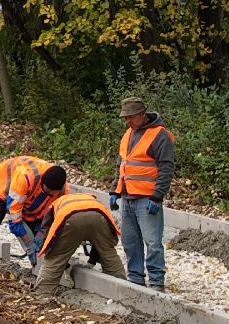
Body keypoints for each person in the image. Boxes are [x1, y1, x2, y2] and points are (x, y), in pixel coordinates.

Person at [110, 96, 175, 290]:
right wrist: (115, 189)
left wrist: (157, 196)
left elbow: (166, 168)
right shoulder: (128, 134)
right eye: (125, 118)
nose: (127, 121)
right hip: (128, 196)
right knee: (130, 241)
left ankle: (156, 281)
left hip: (147, 198)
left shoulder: (160, 135)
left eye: (130, 117)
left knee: (152, 241)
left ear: (142, 115)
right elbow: (121, 165)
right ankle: (136, 278)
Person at [0, 156, 68, 266]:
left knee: (39, 237)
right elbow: (14, 219)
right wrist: (29, 244)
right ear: (42, 183)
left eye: (53, 193)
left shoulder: (62, 191)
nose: (51, 195)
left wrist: (41, 232)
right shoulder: (25, 177)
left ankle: (42, 268)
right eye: (48, 192)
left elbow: (50, 217)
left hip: (26, 197)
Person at [33, 191, 126, 293]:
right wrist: (92, 261)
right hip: (99, 215)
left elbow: (47, 231)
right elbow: (102, 242)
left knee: (55, 258)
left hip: (69, 218)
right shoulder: (91, 199)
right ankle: (123, 289)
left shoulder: (53, 205)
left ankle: (43, 293)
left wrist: (46, 250)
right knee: (108, 252)